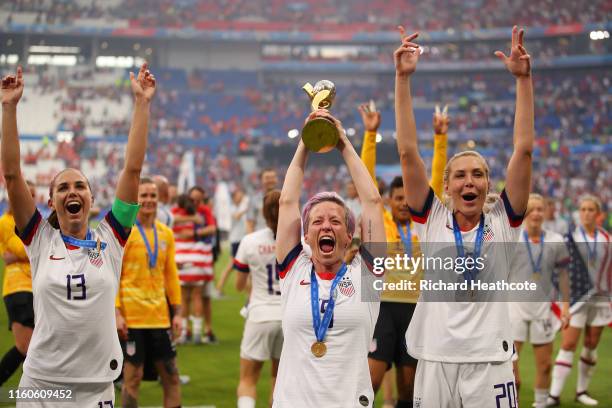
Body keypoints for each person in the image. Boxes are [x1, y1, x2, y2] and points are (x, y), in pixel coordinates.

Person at [1, 63, 155, 406]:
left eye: (80, 186)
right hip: (42, 384)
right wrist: (9, 107)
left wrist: (142, 104)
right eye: (63, 188)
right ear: (52, 201)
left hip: (96, 386)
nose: (72, 192)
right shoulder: (39, 241)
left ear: (91, 197)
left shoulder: (112, 239)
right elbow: (12, 175)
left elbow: (132, 169)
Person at [395, 26, 533, 407]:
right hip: (436, 357)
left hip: (490, 361)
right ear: (447, 184)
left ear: (489, 184)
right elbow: (408, 153)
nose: (469, 181)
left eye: (478, 174)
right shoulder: (431, 218)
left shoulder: (503, 221)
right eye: (460, 175)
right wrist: (402, 79)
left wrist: (524, 81)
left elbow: (523, 152)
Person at [273, 110, 385, 407]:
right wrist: (306, 142)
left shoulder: (367, 277)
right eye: (317, 221)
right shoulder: (294, 270)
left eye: (335, 221)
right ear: (305, 236)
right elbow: (287, 202)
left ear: (349, 236)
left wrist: (344, 144)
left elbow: (373, 203)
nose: (326, 226)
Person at [361, 102, 448, 408]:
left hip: (416, 309)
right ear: (389, 200)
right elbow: (366, 179)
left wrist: (440, 139)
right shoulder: (382, 222)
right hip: (383, 307)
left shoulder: (424, 226)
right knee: (370, 379)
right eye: (397, 199)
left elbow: (435, 182)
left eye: (405, 199)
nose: (402, 204)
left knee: (410, 387)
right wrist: (370, 134)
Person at [115, 177, 182, 407]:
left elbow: (171, 276)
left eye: (152, 195)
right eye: (143, 195)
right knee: (132, 378)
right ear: (136, 199)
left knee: (172, 377)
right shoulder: (125, 234)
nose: (149, 200)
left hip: (160, 317)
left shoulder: (166, 234)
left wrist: (178, 313)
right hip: (132, 319)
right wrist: (116, 313)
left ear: (159, 198)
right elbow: (114, 276)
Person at [508, 194, 571, 408]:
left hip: (542, 310)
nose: (536, 213)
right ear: (525, 213)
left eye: (540, 209)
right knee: (511, 372)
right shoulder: (512, 238)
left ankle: (541, 404)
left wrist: (566, 307)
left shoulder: (555, 240)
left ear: (545, 212)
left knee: (545, 366)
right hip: (513, 310)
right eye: (531, 209)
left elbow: (563, 274)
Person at [548, 195, 610, 407]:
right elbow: (561, 269)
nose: (586, 213)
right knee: (568, 343)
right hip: (575, 299)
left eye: (590, 209)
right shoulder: (570, 238)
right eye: (582, 209)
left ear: (599, 214)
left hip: (600, 299)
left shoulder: (607, 240)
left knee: (591, 344)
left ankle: (581, 390)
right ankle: (554, 395)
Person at [235, 190, 282, 408]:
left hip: (260, 314)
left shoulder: (250, 241)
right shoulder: (301, 240)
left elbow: (239, 285)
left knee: (247, 380)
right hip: (289, 318)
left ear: (263, 213)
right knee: (280, 382)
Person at [0, 181, 36, 386]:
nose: (27, 198)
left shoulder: (35, 223)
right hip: (18, 288)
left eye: (31, 194)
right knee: (25, 346)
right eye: (24, 194)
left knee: (37, 346)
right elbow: (19, 250)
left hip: (36, 288)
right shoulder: (5, 222)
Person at [189, 186, 218, 344]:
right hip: (191, 257)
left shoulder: (204, 210)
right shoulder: (185, 211)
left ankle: (205, 330)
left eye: (198, 199)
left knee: (204, 296)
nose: (195, 202)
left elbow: (212, 228)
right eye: (193, 199)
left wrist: (195, 233)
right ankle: (192, 331)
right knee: (193, 295)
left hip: (203, 256)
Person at [217, 185, 249, 296]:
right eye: (238, 195)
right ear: (234, 197)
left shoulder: (240, 207)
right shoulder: (231, 208)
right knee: (233, 265)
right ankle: (220, 288)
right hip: (236, 240)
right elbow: (237, 216)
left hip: (241, 239)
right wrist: (246, 208)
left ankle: (221, 288)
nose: (241, 197)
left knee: (240, 265)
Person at [246, 168, 278, 234]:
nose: (270, 180)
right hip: (260, 239)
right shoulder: (254, 200)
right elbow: (250, 223)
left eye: (273, 177)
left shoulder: (283, 198)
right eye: (267, 178)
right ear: (261, 180)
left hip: (278, 238)